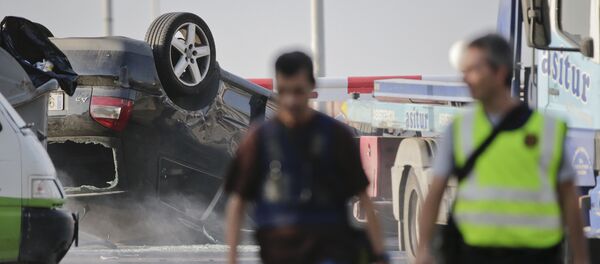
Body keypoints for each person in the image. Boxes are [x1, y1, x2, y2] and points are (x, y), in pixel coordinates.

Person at [415, 34, 589, 264]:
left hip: (535, 255)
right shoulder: (458, 130)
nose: (465, 79)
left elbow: (569, 197)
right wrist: (423, 249)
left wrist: (581, 258)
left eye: (474, 70)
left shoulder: (548, 130)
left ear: (499, 73)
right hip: (474, 253)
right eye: (464, 71)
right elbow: (435, 193)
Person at [224, 51, 387, 264]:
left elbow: (363, 199)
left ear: (311, 87)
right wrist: (232, 260)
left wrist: (379, 255)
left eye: (298, 91)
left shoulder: (337, 137)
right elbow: (238, 202)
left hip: (329, 252)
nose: (291, 100)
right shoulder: (259, 140)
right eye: (284, 91)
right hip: (279, 254)